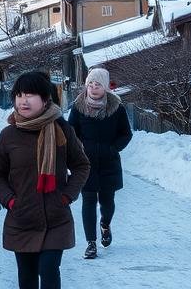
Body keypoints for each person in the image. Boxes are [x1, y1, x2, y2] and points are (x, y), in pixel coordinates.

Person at [0, 71, 91, 289]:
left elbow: (81, 165)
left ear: (45, 99)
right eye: (18, 95)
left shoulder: (62, 130)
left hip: (55, 218)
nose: (23, 101)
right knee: (26, 276)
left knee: (49, 270)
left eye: (29, 95)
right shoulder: (9, 135)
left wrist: (66, 196)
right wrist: (10, 201)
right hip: (22, 218)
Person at [66, 68, 133, 259]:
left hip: (108, 162)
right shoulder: (78, 107)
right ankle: (91, 243)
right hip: (85, 163)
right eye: (90, 84)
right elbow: (71, 132)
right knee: (88, 201)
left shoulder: (116, 108)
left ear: (105, 87)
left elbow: (126, 134)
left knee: (107, 202)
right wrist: (78, 150)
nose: (93, 88)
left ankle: (105, 224)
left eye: (98, 85)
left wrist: (112, 149)